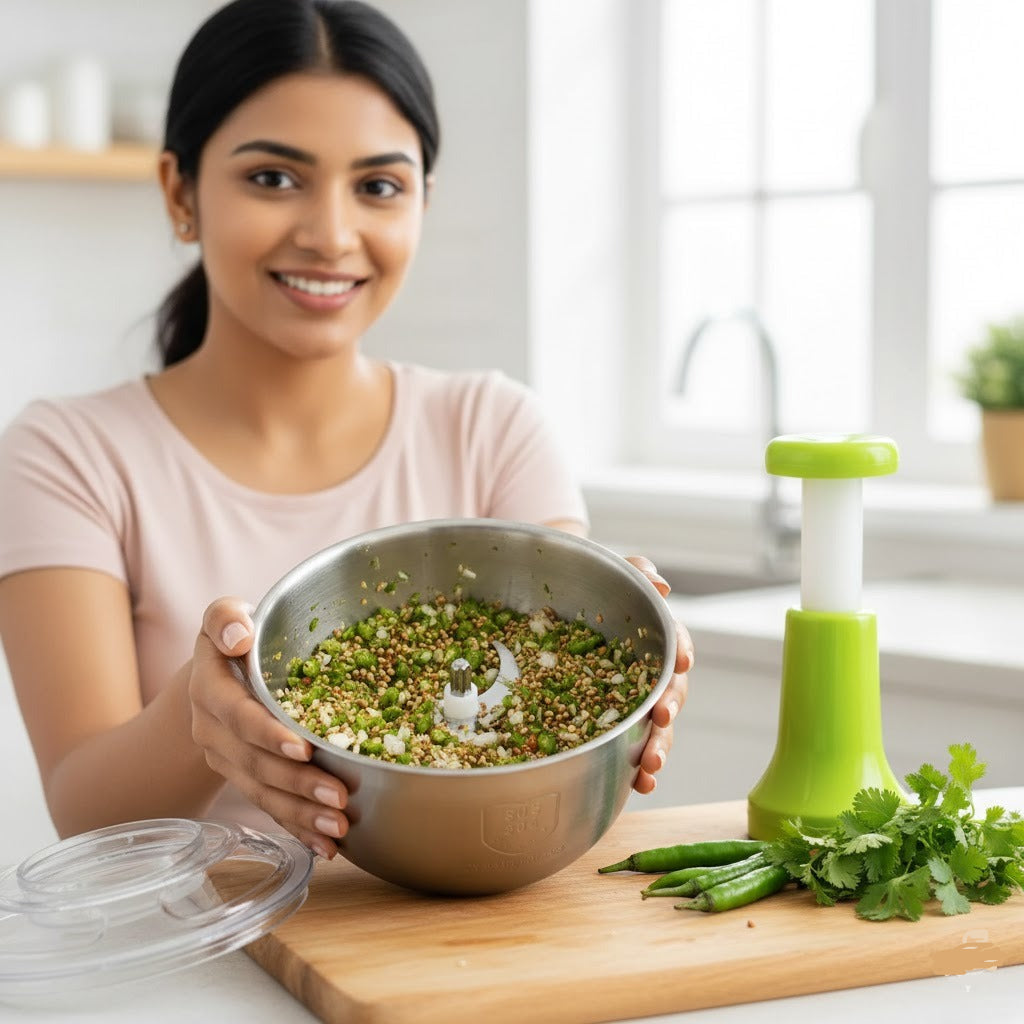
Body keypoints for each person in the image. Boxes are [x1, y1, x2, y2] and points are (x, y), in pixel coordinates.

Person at [0, 0, 693, 863]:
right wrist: (202, 710)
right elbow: (84, 812)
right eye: (274, 178)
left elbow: (542, 718)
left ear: (422, 204)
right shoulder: (69, 454)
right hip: (205, 962)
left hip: (455, 943)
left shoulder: (492, 426)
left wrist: (626, 650)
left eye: (378, 187)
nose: (331, 234)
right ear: (181, 194)